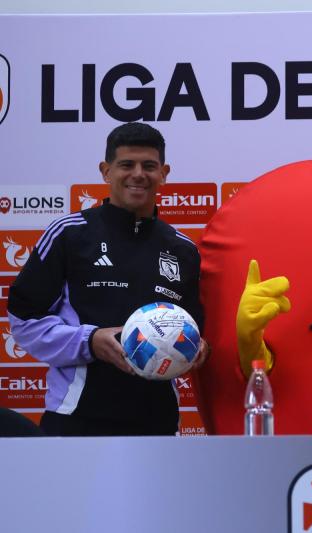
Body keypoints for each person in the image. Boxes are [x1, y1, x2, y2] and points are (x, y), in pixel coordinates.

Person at [8, 122, 210, 436]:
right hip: (76, 418)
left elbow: (196, 330)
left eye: (149, 166)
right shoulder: (69, 234)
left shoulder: (182, 250)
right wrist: (90, 342)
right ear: (106, 171)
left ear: (164, 173)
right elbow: (24, 322)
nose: (138, 174)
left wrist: (197, 347)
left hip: (158, 422)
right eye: (126, 165)